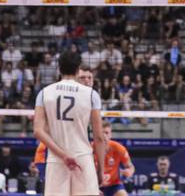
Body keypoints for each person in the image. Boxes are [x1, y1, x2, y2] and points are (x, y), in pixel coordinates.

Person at [33, 50, 106, 196]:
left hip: (57, 159)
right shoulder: (91, 94)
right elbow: (98, 137)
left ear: (59, 68)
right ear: (78, 70)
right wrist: (101, 170)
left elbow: (38, 131)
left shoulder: (44, 92)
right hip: (82, 157)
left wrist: (63, 155)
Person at [101, 120, 136, 196]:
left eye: (106, 133)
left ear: (110, 135)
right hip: (96, 185)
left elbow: (130, 167)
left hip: (114, 185)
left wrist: (129, 171)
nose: (104, 136)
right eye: (101, 133)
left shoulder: (119, 148)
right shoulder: (90, 149)